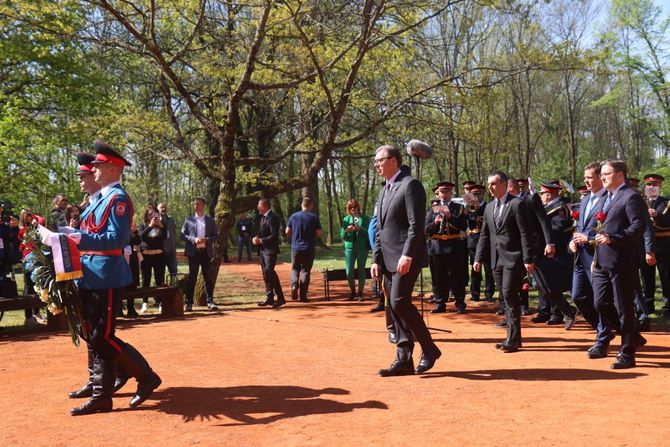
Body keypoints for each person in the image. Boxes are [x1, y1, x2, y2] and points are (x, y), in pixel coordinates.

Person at [70, 141, 161, 415]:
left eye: (98, 166)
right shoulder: (103, 198)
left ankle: (146, 376)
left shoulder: (117, 199)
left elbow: (117, 238)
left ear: (112, 168)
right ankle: (102, 392)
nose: (93, 171)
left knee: (102, 337)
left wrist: (80, 238)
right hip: (91, 273)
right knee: (94, 336)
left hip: (107, 274)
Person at [371, 144, 441, 376]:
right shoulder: (384, 191)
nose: (377, 164)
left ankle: (430, 350)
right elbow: (381, 230)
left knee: (400, 301)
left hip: (406, 257)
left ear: (394, 160)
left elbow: (416, 225)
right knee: (392, 305)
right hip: (388, 259)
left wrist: (407, 254)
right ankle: (404, 359)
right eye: (376, 161)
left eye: (380, 160)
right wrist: (376, 260)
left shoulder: (410, 185)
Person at [591, 160, 647, 369]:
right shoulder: (605, 197)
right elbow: (598, 226)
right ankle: (633, 334)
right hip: (601, 260)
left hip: (622, 261)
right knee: (600, 303)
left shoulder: (630, 197)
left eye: (606, 173)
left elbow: (639, 225)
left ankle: (627, 354)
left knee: (624, 308)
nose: (602, 177)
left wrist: (615, 238)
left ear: (620, 175)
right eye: (601, 174)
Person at [474, 171, 534, 352]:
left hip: (514, 257)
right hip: (496, 258)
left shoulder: (517, 204)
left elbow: (525, 233)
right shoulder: (489, 207)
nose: (490, 188)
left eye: (494, 184)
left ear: (504, 184)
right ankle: (512, 337)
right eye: (489, 184)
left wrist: (527, 258)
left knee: (509, 295)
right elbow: (484, 234)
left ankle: (513, 339)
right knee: (505, 297)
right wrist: (478, 257)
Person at [425, 181, 467, 314]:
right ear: (438, 193)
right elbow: (426, 229)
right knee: (438, 277)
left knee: (457, 277)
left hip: (454, 246)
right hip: (436, 247)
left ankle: (460, 303)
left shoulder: (458, 208)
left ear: (451, 193)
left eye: (447, 192)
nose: (444, 194)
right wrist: (435, 223)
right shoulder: (432, 209)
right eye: (442, 192)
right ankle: (440, 303)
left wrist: (450, 217)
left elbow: (463, 226)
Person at [181, 197, 218, 311]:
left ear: (203, 206)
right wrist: (193, 239)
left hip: (206, 253)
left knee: (208, 278)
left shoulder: (210, 221)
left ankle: (210, 302)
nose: (195, 206)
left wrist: (207, 239)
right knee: (192, 278)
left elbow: (215, 236)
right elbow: (182, 235)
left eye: (198, 204)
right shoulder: (189, 220)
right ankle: (189, 303)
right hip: (194, 253)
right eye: (194, 204)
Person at [640, 174, 670, 318]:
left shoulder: (667, 202)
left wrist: (657, 214)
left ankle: (668, 306)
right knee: (647, 276)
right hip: (645, 244)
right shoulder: (640, 202)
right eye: (649, 185)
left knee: (666, 276)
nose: (652, 187)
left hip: (663, 243)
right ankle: (648, 304)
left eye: (655, 184)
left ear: (660, 186)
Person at [285, 197, 322, 302]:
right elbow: (319, 234)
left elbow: (287, 231)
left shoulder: (293, 216)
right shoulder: (314, 217)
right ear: (310, 205)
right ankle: (303, 295)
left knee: (295, 268)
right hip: (309, 247)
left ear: (302, 205)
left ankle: (294, 285)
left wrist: (294, 234)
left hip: (296, 247)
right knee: (305, 271)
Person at [253, 198, 285, 308]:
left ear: (263, 206)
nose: (257, 208)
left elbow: (274, 235)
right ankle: (269, 297)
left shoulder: (273, 217)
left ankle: (281, 297)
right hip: (262, 250)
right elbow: (264, 232)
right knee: (265, 274)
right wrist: (256, 238)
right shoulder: (264, 217)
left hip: (270, 251)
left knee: (269, 271)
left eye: (258, 206)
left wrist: (260, 241)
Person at [465, 184, 495, 303]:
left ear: (483, 194)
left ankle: (489, 293)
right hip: (473, 240)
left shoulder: (489, 206)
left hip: (487, 241)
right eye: (474, 194)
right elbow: (468, 224)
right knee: (475, 268)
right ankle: (475, 293)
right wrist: (471, 212)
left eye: (479, 193)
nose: (477, 196)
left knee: (489, 269)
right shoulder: (469, 208)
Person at [17, 209, 45, 325]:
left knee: (38, 285)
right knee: (29, 286)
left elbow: (42, 222)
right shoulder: (22, 231)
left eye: (30, 215)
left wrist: (36, 223)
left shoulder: (36, 227)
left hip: (38, 259)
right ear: (23, 218)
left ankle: (36, 313)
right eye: (27, 216)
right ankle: (29, 316)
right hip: (28, 260)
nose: (30, 217)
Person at [138, 205, 167, 313]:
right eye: (150, 214)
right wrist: (150, 226)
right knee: (146, 280)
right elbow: (141, 236)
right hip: (146, 256)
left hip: (159, 255)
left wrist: (161, 226)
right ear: (147, 215)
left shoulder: (162, 225)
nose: (153, 216)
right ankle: (145, 303)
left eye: (155, 214)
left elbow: (164, 237)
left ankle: (159, 303)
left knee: (159, 280)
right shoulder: (143, 225)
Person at [340, 199, 370, 301]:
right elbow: (342, 235)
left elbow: (369, 233)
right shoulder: (346, 219)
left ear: (358, 207)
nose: (353, 209)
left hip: (362, 248)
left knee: (361, 270)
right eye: (350, 208)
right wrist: (346, 230)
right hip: (349, 248)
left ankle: (360, 293)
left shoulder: (365, 218)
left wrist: (360, 229)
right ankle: (353, 291)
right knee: (349, 272)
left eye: (354, 207)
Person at [158, 203, 178, 283]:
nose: (163, 209)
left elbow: (173, 234)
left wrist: (174, 248)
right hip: (160, 251)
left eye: (165, 207)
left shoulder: (171, 220)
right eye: (161, 207)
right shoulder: (156, 220)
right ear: (158, 209)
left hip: (171, 251)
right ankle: (161, 294)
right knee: (160, 274)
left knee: (173, 272)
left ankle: (172, 291)